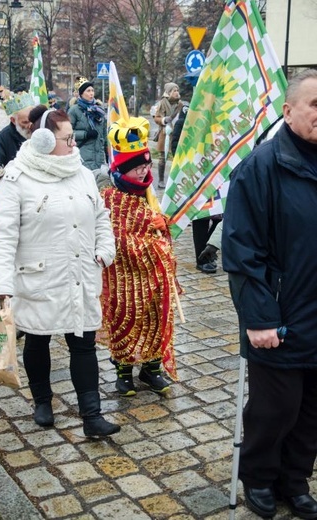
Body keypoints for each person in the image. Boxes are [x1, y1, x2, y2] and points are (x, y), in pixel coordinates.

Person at [0, 105, 120, 438]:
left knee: (84, 342)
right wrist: (2, 285)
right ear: (45, 141)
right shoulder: (18, 178)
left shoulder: (83, 173)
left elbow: (101, 217)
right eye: (66, 139)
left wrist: (105, 252)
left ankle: (92, 417)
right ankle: (42, 401)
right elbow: (2, 234)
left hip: (80, 274)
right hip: (38, 278)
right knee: (38, 338)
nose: (74, 144)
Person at [222, 68, 317, 519]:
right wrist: (259, 319)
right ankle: (259, 476)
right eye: (315, 105)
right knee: (275, 408)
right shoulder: (261, 167)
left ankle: (294, 481)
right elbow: (242, 252)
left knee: (311, 413)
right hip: (279, 317)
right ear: (289, 110)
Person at [100, 116, 178, 396]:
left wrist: (162, 226)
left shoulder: (149, 194)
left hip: (153, 277)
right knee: (126, 318)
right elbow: (118, 239)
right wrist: (151, 241)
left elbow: (156, 228)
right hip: (125, 277)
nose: (145, 172)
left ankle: (151, 369)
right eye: (139, 167)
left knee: (155, 319)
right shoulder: (110, 198)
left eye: (147, 165)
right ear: (123, 169)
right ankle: (123, 372)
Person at [171, 101, 221, 274]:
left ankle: (209, 249)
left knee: (220, 215)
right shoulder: (187, 115)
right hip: (196, 173)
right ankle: (202, 258)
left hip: (218, 173)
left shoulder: (220, 115)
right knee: (200, 216)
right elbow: (176, 145)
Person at [68, 76, 107, 170]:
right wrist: (85, 134)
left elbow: (104, 134)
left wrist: (108, 152)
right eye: (88, 91)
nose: (91, 93)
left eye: (92, 90)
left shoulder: (99, 110)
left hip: (99, 158)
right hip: (82, 157)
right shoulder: (74, 110)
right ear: (81, 94)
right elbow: (67, 134)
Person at [0, 92, 35, 171]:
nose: (30, 125)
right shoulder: (5, 136)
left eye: (32, 121)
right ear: (13, 121)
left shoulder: (41, 129)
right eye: (25, 122)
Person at [154, 82, 182, 189]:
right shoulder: (162, 103)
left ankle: (175, 181)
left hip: (177, 133)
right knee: (162, 158)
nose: (176, 93)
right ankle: (161, 180)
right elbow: (156, 118)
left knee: (177, 157)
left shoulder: (180, 104)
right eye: (174, 91)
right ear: (169, 92)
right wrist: (164, 120)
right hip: (165, 134)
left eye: (177, 90)